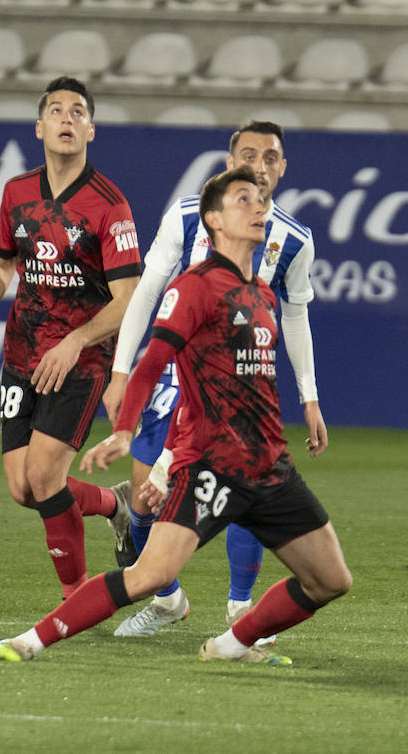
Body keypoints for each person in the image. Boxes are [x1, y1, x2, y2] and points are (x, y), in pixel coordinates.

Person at [0, 166, 351, 664]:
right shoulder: (194, 288)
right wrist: (124, 433)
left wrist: (307, 401)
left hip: (270, 469)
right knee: (149, 577)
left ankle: (231, 643)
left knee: (332, 579)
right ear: (214, 220)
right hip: (211, 469)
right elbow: (153, 366)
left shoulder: (265, 295)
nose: (259, 207)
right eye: (244, 199)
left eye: (261, 200)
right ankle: (29, 641)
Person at [102, 121, 328, 638]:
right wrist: (121, 370)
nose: (260, 165)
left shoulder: (292, 240)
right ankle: (166, 599)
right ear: (229, 163)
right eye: (249, 155)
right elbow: (147, 292)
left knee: (247, 498)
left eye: (271, 157)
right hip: (179, 382)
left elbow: (295, 317)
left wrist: (309, 398)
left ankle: (240, 609)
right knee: (142, 499)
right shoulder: (187, 217)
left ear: (282, 169)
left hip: (242, 393)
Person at [0, 76, 138, 601]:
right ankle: (115, 505)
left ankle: (77, 596)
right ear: (40, 128)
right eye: (56, 111)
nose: (67, 118)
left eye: (77, 111)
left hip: (79, 360)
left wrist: (76, 341)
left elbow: (127, 298)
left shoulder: (109, 205)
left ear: (90, 129)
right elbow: (1, 264)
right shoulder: (17, 193)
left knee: (44, 476)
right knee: (23, 488)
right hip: (22, 352)